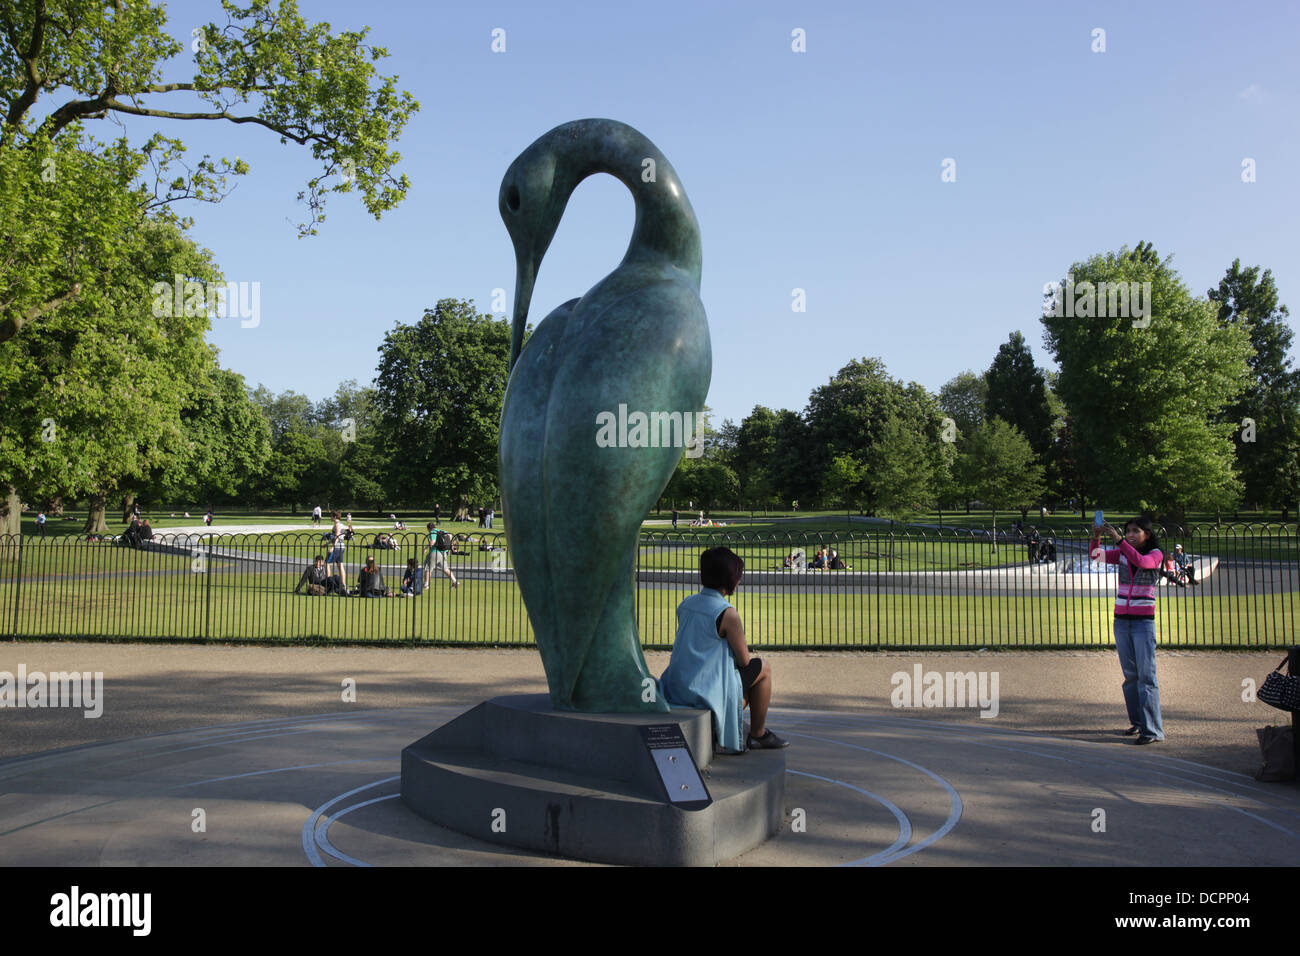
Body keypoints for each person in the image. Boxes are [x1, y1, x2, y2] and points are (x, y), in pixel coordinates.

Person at [659, 547, 788, 752]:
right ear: (730, 578)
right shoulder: (727, 613)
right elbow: (744, 660)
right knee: (763, 668)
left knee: (739, 677)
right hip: (705, 693)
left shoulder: (686, 604)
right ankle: (758, 734)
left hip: (677, 687)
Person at [1091, 516, 1165, 744]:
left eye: (1136, 531)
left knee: (1146, 676)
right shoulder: (1123, 554)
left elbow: (1143, 563)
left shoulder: (1156, 554)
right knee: (1131, 676)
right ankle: (1139, 722)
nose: (1131, 534)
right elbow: (1097, 556)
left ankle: (1152, 730)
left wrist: (1119, 540)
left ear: (1147, 534)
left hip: (1143, 622)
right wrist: (1097, 537)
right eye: (1128, 531)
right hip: (1122, 620)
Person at [423, 521, 459, 589]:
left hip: (435, 552)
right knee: (445, 569)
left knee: (427, 568)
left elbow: (432, 542)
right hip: (443, 552)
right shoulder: (442, 531)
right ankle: (455, 581)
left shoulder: (432, 532)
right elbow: (450, 536)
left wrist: (426, 548)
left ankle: (426, 584)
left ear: (428, 528)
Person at [326, 510, 353, 589]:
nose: (330, 517)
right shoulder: (341, 525)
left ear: (334, 517)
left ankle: (328, 583)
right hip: (341, 546)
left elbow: (337, 536)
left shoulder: (337, 525)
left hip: (337, 547)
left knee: (327, 564)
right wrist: (327, 544)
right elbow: (336, 537)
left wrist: (332, 547)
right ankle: (343, 584)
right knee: (340, 565)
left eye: (331, 516)